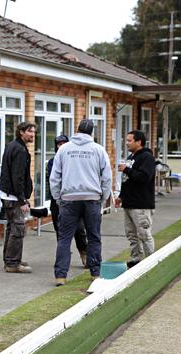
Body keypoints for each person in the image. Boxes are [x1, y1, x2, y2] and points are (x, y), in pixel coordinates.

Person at [50, 119, 112, 286]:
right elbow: (107, 178)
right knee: (94, 237)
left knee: (64, 238)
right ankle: (95, 274)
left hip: (69, 199)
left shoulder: (64, 150)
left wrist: (58, 198)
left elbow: (54, 177)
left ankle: (60, 276)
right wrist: (103, 198)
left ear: (77, 130)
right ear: (92, 132)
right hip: (92, 199)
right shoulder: (98, 150)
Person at [0, 121, 36, 273]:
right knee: (18, 228)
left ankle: (10, 259)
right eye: (30, 132)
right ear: (21, 132)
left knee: (12, 227)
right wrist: (22, 200)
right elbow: (17, 177)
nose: (32, 135)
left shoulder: (13, 145)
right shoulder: (19, 149)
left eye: (33, 132)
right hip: (12, 196)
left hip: (8, 194)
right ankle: (13, 264)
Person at [115, 130, 156, 268]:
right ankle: (136, 260)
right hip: (128, 203)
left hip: (141, 204)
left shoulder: (147, 157)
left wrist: (127, 169)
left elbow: (144, 177)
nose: (127, 143)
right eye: (126, 140)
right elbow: (127, 180)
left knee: (144, 234)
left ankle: (152, 262)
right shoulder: (131, 156)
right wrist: (121, 196)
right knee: (132, 235)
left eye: (129, 140)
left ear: (139, 142)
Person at [47, 135, 88, 268]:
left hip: (73, 200)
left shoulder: (75, 160)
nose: (61, 146)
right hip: (58, 201)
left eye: (64, 143)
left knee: (79, 230)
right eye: (59, 144)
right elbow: (54, 180)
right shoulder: (53, 162)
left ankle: (84, 253)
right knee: (60, 231)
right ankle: (64, 258)